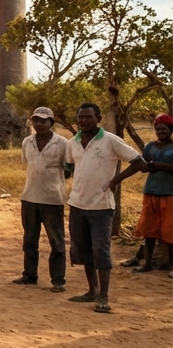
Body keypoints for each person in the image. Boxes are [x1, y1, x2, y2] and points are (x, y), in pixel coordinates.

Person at [65, 103, 144, 313]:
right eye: (80, 117)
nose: (84, 121)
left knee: (101, 250)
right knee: (83, 250)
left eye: (88, 117)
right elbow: (70, 165)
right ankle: (92, 290)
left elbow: (139, 162)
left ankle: (104, 296)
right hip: (77, 204)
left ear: (98, 118)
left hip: (101, 206)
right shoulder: (73, 142)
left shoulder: (110, 140)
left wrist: (116, 180)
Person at [12, 107, 69, 290]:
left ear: (51, 123)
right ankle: (29, 275)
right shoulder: (27, 142)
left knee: (57, 242)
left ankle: (58, 280)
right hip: (29, 197)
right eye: (36, 120)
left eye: (43, 121)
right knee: (29, 240)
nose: (39, 124)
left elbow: (68, 168)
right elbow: (28, 164)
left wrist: (54, 181)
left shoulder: (62, 144)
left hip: (53, 199)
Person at [130, 114, 173, 273]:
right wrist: (148, 166)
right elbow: (143, 165)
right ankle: (147, 263)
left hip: (170, 193)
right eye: (158, 129)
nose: (160, 132)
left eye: (164, 129)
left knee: (170, 230)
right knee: (149, 229)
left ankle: (170, 265)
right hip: (151, 191)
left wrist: (158, 165)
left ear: (170, 130)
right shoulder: (150, 146)